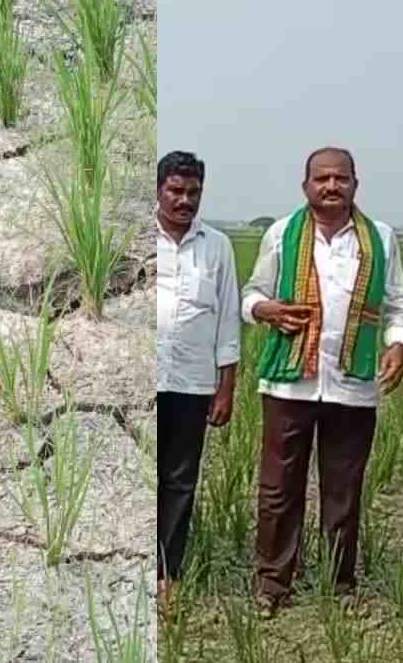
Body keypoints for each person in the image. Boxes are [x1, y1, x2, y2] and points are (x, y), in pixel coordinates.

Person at [243, 147, 403, 618]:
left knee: (343, 490)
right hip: (289, 384)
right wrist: (266, 310)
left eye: (341, 178)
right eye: (322, 179)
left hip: (353, 386)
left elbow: (399, 305)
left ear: (356, 184)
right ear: (306, 186)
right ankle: (273, 583)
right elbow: (252, 293)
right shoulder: (282, 234)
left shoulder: (380, 238)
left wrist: (399, 345)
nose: (331, 186)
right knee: (278, 489)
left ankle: (339, 584)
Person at [155, 151, 241, 617]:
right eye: (176, 190)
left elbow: (228, 319)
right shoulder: (136, 238)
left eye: (193, 192)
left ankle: (168, 573)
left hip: (191, 383)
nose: (185, 200)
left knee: (179, 480)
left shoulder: (218, 246)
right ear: (159, 190)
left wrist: (225, 387)